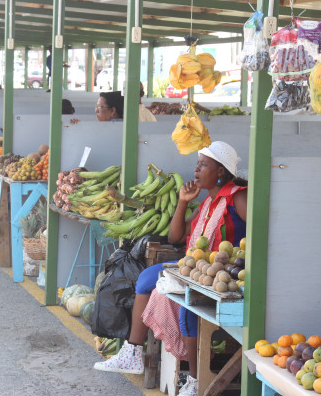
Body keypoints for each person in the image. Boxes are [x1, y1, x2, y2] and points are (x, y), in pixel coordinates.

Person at [93, 141, 247, 396]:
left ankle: (196, 381)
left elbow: (255, 231)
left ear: (220, 171)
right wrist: (183, 202)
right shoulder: (208, 203)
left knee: (188, 312)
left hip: (221, 273)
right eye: (197, 164)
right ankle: (132, 352)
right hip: (195, 268)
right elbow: (176, 237)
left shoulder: (237, 197)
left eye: (203, 165)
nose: (196, 170)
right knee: (144, 280)